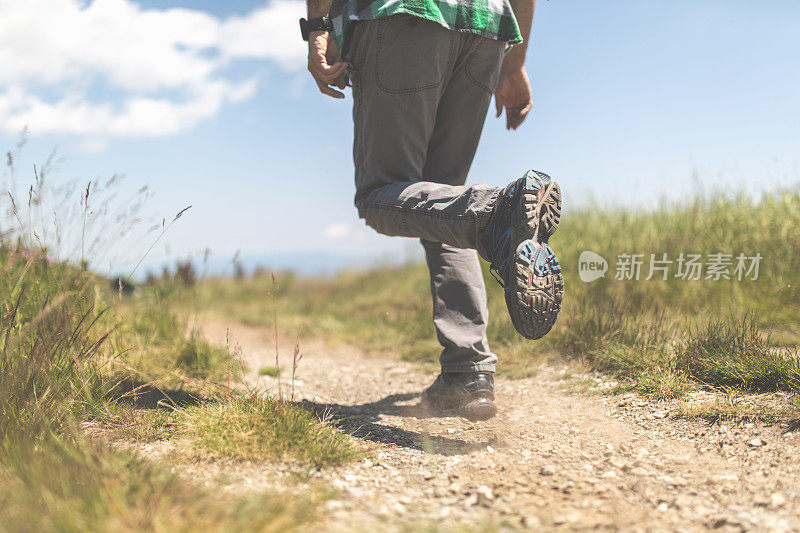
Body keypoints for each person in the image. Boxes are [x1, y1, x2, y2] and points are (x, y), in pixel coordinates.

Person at [301, 0, 562, 421]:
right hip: (486, 27)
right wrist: (514, 63)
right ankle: (467, 371)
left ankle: (497, 212)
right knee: (444, 201)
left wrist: (317, 27)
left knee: (381, 195)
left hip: (404, 18)